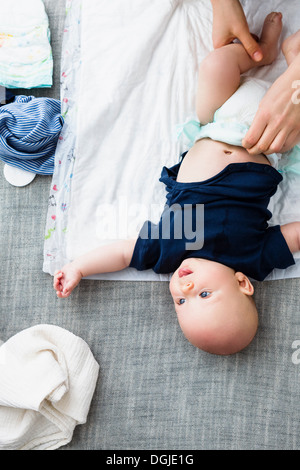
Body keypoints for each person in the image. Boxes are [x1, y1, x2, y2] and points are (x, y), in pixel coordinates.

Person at [54, 12, 300, 356]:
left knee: (215, 65)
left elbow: (124, 253)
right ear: (242, 283)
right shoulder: (253, 257)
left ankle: (272, 55)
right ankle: (286, 58)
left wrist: (79, 265)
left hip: (214, 122)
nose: (184, 286)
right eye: (203, 294)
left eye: (181, 302)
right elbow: (294, 235)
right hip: (262, 138)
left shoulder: (170, 249)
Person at [210, 0, 300, 156]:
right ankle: (292, 55)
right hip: (271, 143)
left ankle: (264, 52)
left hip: (217, 120)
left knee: (217, 64)